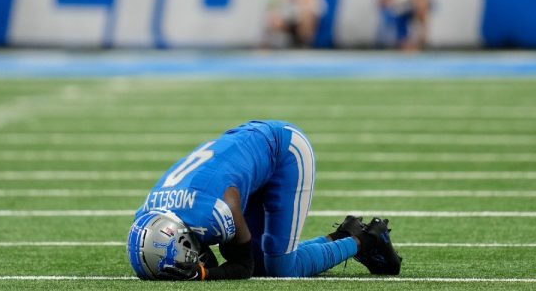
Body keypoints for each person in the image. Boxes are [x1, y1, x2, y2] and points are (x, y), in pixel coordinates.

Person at [127, 120, 402, 280]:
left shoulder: (210, 214)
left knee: (281, 267)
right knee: (264, 263)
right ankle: (343, 234)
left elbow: (242, 267)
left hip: (283, 151)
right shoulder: (146, 215)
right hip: (242, 159)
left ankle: (367, 239)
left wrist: (205, 274)